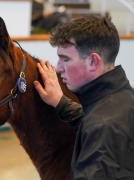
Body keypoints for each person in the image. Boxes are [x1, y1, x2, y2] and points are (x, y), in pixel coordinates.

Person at [34, 14, 134, 179]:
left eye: (65, 59)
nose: (58, 69)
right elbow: (91, 118)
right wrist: (60, 102)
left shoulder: (103, 127)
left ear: (93, 61)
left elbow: (99, 125)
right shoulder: (122, 97)